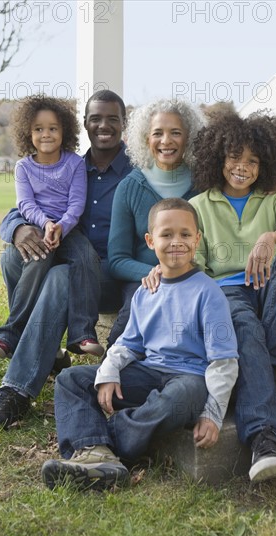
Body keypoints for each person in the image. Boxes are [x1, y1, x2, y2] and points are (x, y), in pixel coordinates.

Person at [144, 111, 276, 483]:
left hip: (268, 287)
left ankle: (262, 354)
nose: (243, 167)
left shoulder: (272, 202)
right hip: (227, 292)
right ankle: (265, 439)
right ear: (219, 158)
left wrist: (271, 237)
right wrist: (163, 269)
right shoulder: (200, 206)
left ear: (265, 165)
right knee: (243, 324)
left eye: (253, 161)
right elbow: (197, 264)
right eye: (235, 157)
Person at [41, 198, 239, 491]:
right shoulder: (146, 292)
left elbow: (224, 361)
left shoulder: (208, 293)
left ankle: (98, 446)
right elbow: (128, 344)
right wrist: (108, 371)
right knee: (71, 379)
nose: (177, 242)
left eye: (185, 234)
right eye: (167, 234)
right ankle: (99, 459)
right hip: (148, 373)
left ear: (197, 239)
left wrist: (212, 413)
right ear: (150, 241)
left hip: (190, 379)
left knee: (180, 397)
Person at [0, 90, 132, 437]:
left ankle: (14, 391)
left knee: (59, 275)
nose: (103, 125)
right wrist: (15, 229)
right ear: (85, 125)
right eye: (95, 118)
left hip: (104, 276)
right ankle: (48, 353)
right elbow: (20, 207)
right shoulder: (70, 164)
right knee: (14, 255)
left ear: (124, 124)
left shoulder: (134, 176)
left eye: (112, 119)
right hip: (55, 249)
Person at [0, 95, 105, 360]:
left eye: (53, 128)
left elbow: (77, 203)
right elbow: (25, 204)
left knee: (86, 258)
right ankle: (10, 333)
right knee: (37, 258)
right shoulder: (24, 168)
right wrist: (46, 224)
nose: (46, 134)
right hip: (37, 227)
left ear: (64, 130)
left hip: (69, 229)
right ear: (27, 133)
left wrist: (61, 225)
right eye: (38, 129)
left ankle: (82, 333)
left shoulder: (75, 163)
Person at [106, 98, 206, 346]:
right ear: (145, 139)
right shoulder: (129, 187)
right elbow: (117, 260)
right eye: (157, 133)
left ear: (189, 137)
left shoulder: (205, 184)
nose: (166, 141)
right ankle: (106, 378)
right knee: (131, 319)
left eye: (176, 133)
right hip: (147, 280)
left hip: (193, 279)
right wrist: (155, 273)